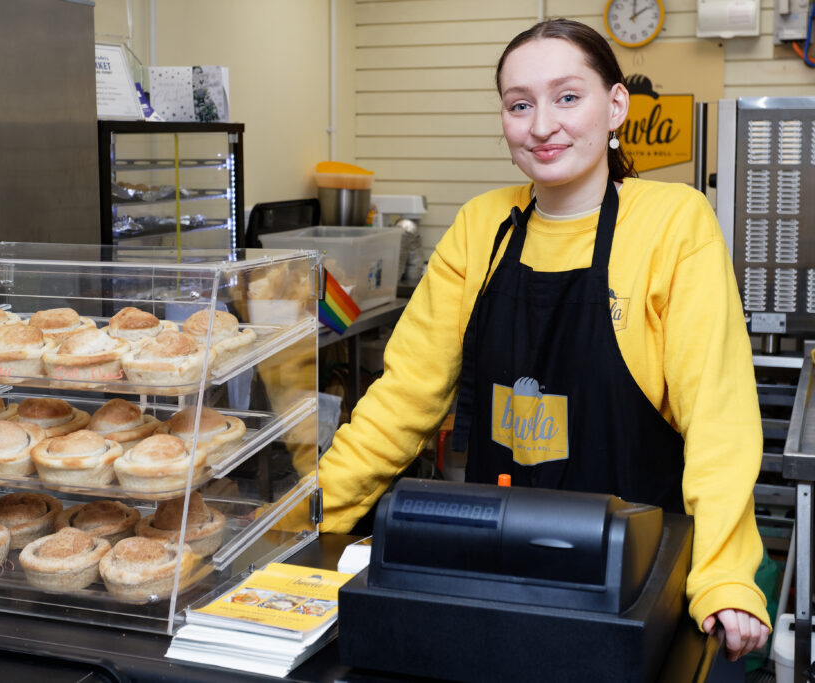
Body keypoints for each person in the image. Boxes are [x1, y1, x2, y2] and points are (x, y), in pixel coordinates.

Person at [315, 18, 771, 661]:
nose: (541, 125)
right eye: (519, 104)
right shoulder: (482, 226)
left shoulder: (673, 224)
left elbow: (718, 416)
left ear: (615, 107)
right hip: (493, 568)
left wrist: (724, 577)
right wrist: (310, 516)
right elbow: (404, 396)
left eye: (567, 97)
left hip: (634, 579)